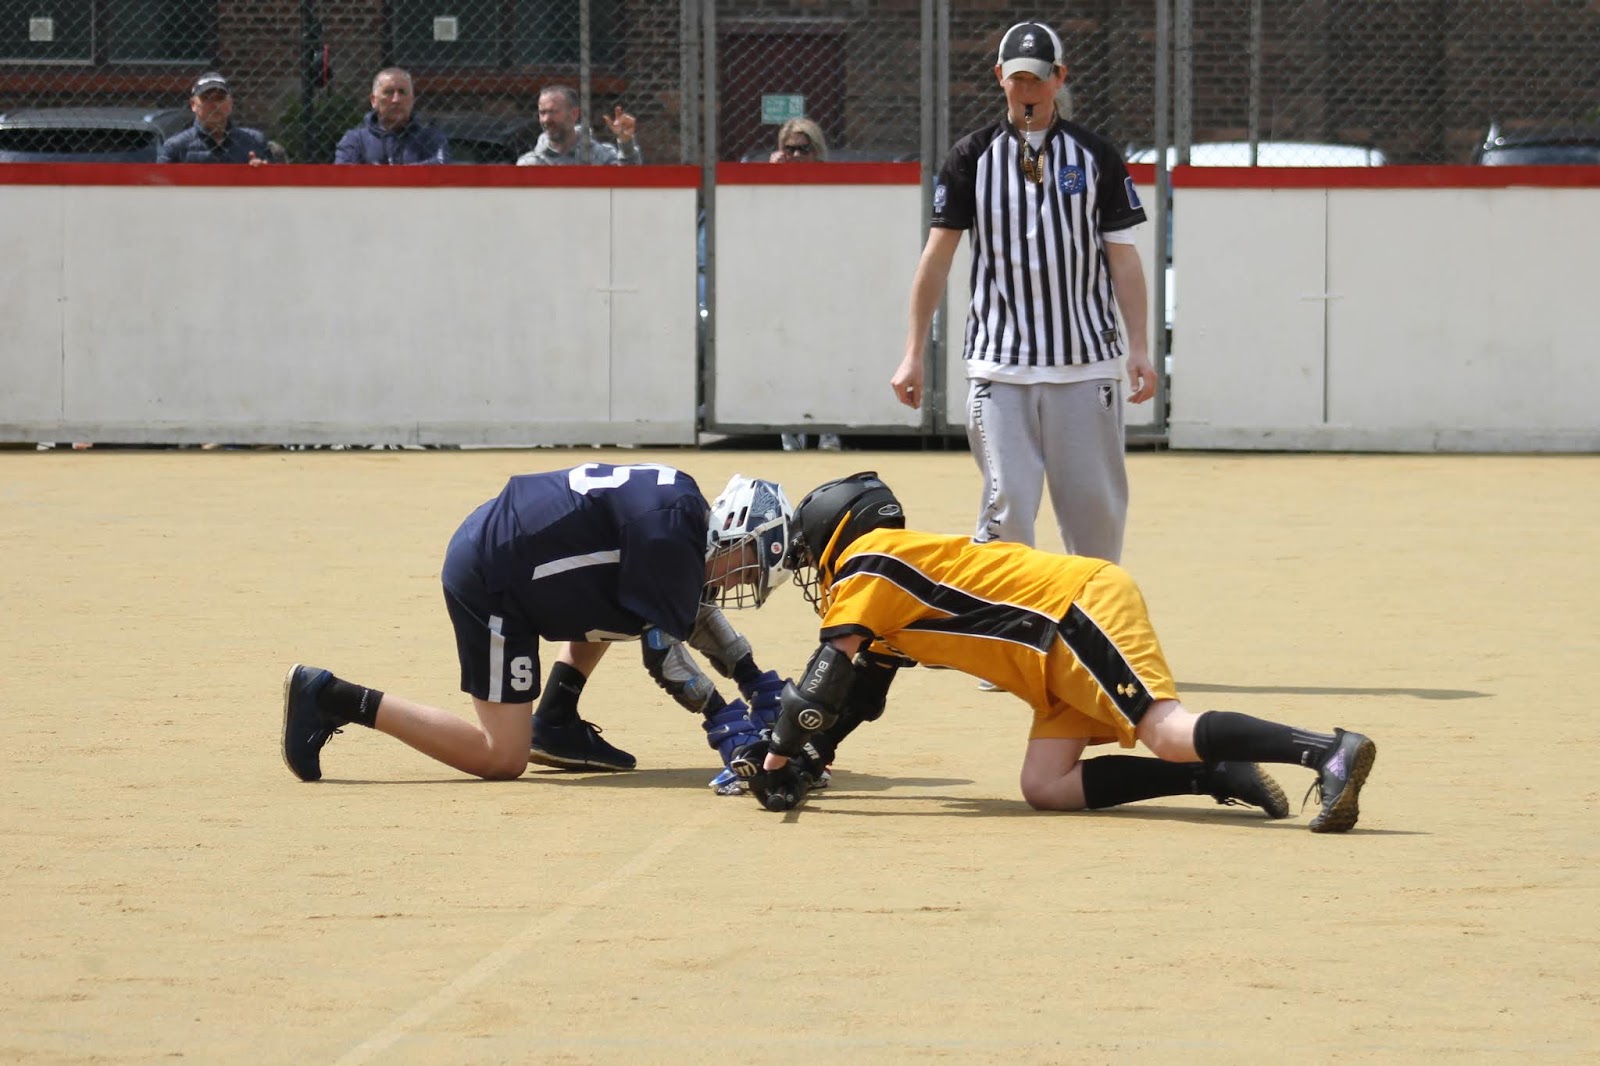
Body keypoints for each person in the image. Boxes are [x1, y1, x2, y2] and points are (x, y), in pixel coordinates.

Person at [732, 471, 1377, 834]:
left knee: (1166, 730)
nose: (812, 571)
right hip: (1047, 655)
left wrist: (778, 756)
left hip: (1070, 610)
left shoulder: (871, 562)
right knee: (1046, 785)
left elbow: (818, 689)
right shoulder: (883, 597)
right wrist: (809, 759)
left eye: (809, 555)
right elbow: (857, 696)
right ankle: (1212, 773)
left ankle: (1327, 750)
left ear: (835, 535)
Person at [281, 464, 796, 785]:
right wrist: (725, 720)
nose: (741, 581)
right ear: (735, 528)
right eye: (748, 566)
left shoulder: (682, 509)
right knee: (502, 758)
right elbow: (664, 650)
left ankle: (556, 719)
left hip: (514, 544)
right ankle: (331, 696)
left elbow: (679, 602)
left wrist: (751, 677)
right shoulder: (668, 540)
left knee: (632, 594)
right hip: (492, 576)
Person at [890, 20, 1157, 566]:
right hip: (1000, 366)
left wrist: (1139, 347)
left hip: (1084, 363)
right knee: (1007, 508)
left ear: (1060, 77)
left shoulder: (1096, 156)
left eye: (1037, 78)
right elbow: (936, 259)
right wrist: (913, 353)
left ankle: (1091, 617)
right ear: (999, 77)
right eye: (1017, 78)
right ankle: (1008, 619)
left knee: (1096, 516)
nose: (1027, 89)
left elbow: (1123, 260)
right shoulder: (971, 156)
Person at [768, 118, 844, 453]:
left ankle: (828, 431)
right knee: (786, 357)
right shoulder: (771, 183)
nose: (797, 156)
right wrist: (771, 177)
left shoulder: (831, 184)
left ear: (817, 151)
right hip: (784, 280)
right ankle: (790, 433)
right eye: (790, 149)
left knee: (827, 356)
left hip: (823, 279)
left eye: (804, 149)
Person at [334, 68, 449, 165]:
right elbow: (343, 176)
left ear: (412, 100)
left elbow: (439, 171)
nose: (396, 100)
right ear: (374, 100)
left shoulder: (431, 138)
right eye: (389, 92)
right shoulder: (356, 140)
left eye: (402, 92)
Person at [157, 72, 271, 165]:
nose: (214, 105)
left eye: (220, 98)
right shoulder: (176, 147)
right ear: (193, 104)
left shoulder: (254, 141)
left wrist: (262, 173)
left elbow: (274, 183)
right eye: (206, 98)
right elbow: (160, 183)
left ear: (231, 103)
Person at [517, 85, 640, 166]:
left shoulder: (601, 156)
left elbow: (629, 179)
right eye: (542, 113)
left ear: (574, 114)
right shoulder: (530, 164)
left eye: (553, 112)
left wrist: (626, 142)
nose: (546, 119)